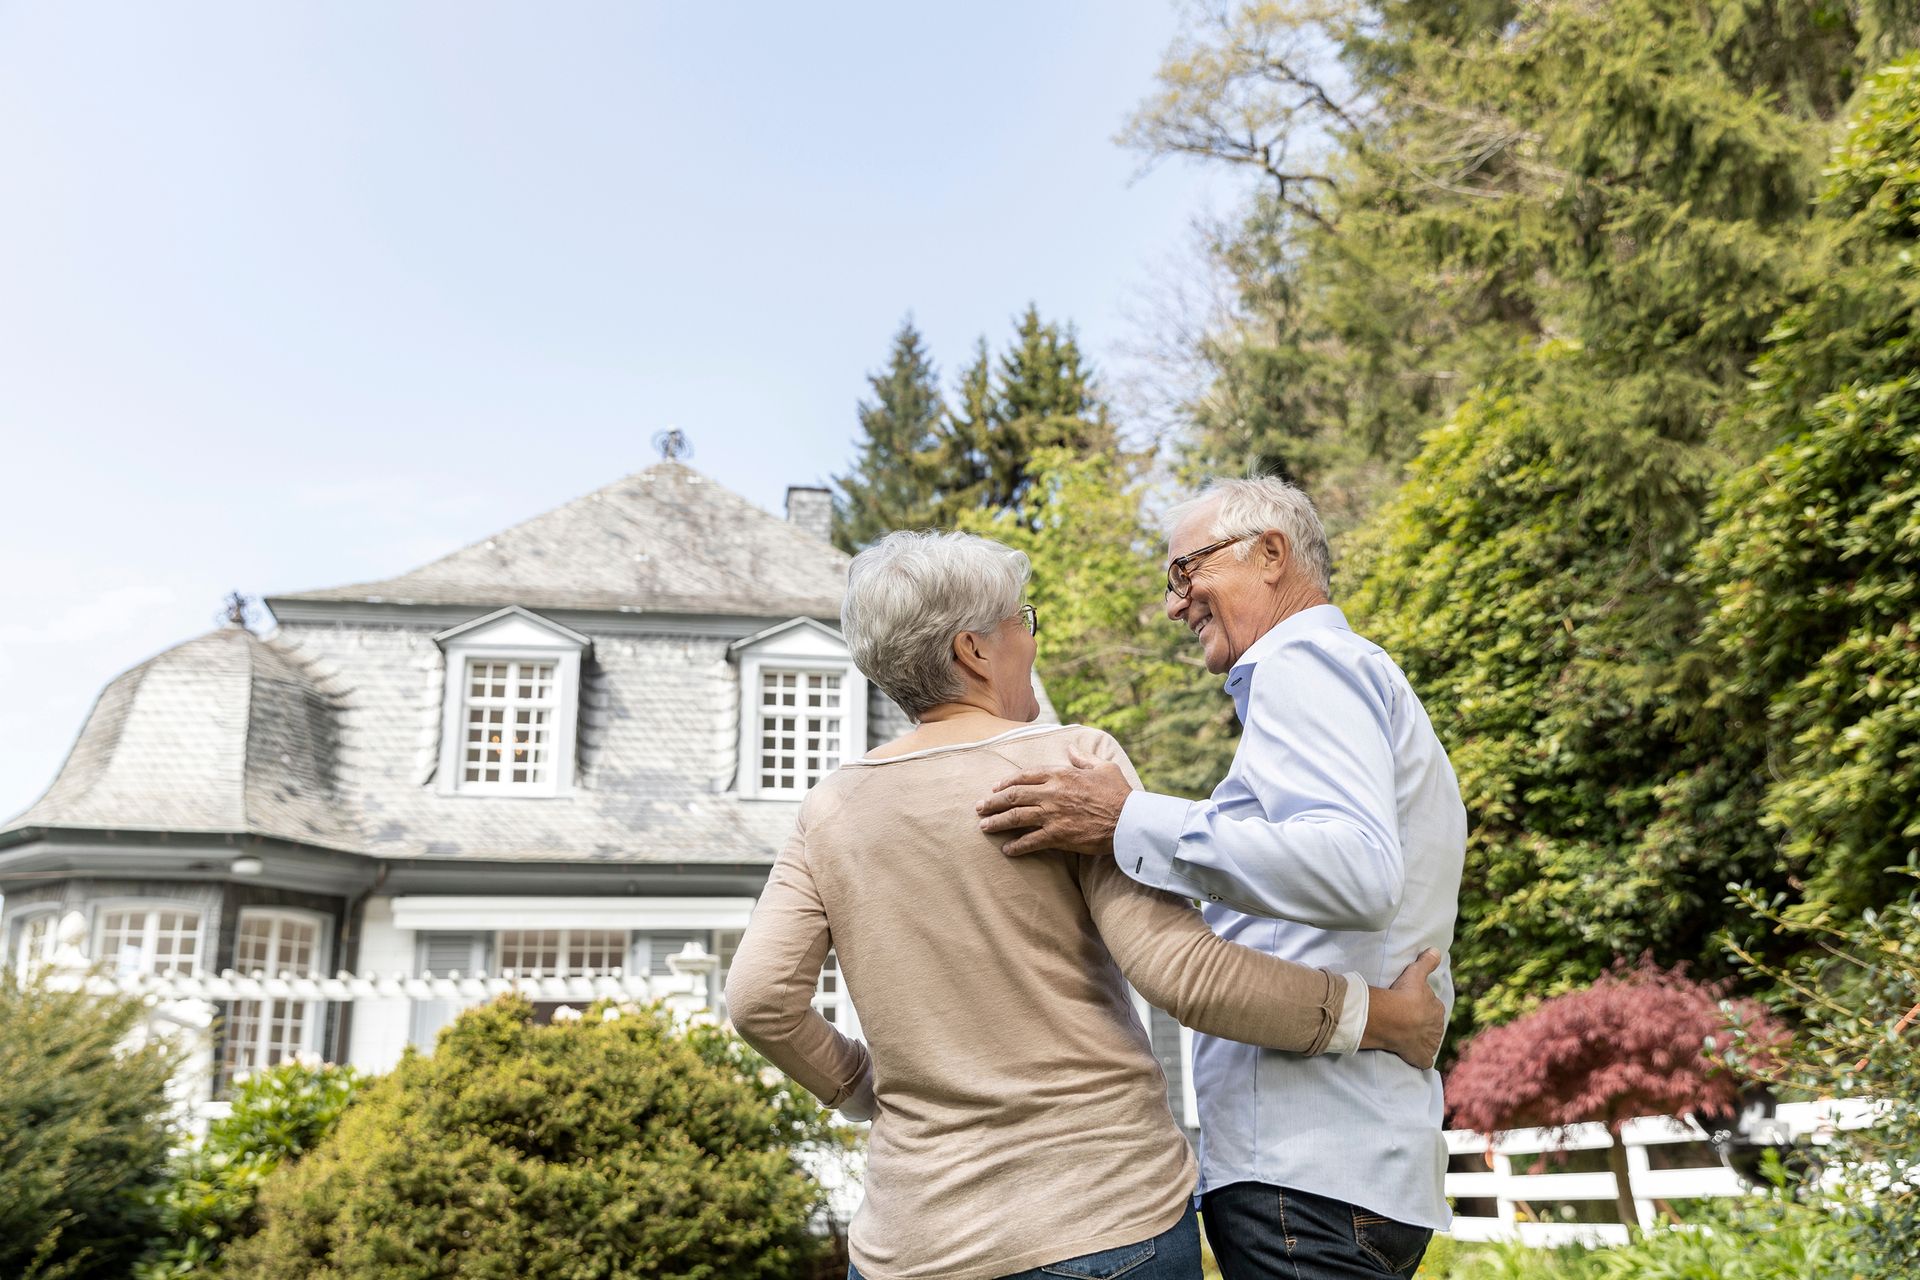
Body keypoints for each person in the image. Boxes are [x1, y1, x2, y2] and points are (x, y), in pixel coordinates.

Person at [726, 529, 1448, 1280]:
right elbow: (1184, 975)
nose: (1029, 642)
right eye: (1021, 622)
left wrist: (859, 1084)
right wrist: (1374, 1016)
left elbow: (758, 1000)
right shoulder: (1070, 765)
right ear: (974, 651)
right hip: (1104, 1223)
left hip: (911, 1248)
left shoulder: (831, 808)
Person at [977, 477, 1467, 1279]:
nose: (1176, 604)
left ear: (1270, 552)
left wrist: (1126, 821)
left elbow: (1355, 870)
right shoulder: (1353, 678)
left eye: (1186, 572)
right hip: (1341, 1172)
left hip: (1305, 1178)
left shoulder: (1302, 663)